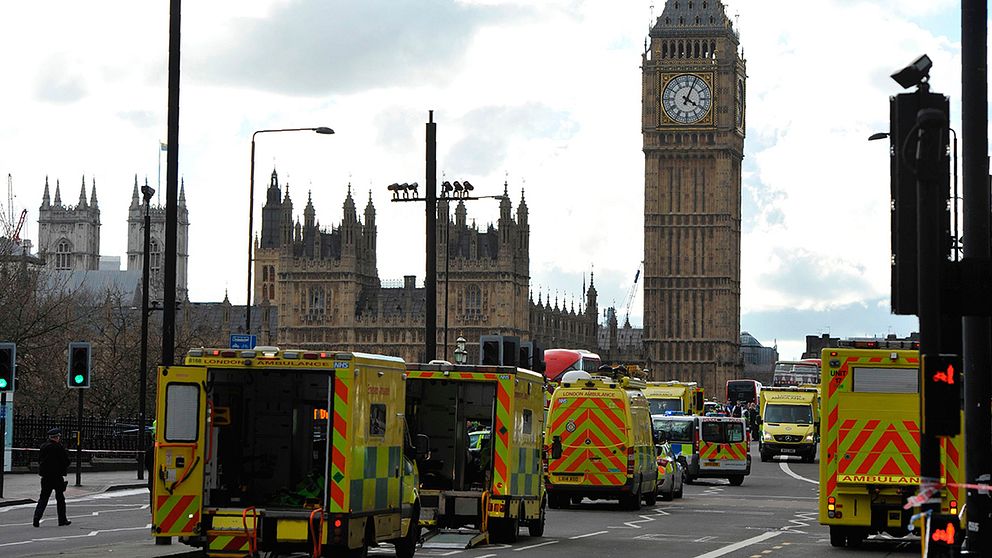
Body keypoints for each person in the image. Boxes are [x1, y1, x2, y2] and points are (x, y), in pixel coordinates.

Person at [33, 427, 71, 528]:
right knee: (60, 499)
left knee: (43, 498)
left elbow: (39, 460)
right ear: (56, 437)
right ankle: (62, 520)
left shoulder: (43, 446)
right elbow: (66, 461)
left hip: (45, 477)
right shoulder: (58, 447)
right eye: (58, 437)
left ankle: (36, 517)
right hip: (57, 476)